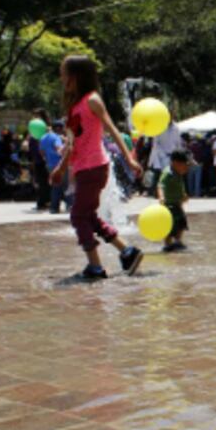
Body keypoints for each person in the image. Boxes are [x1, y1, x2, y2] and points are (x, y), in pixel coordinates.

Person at [50, 55, 144, 280]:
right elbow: (72, 144)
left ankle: (95, 266)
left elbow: (111, 129)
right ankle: (127, 252)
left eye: (64, 73)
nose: (61, 78)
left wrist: (129, 159)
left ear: (75, 76)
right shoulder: (75, 105)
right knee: (88, 215)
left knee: (78, 216)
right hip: (84, 168)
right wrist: (62, 168)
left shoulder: (92, 100)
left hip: (95, 167)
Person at [158, 150, 189, 252]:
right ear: (175, 163)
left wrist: (183, 195)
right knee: (169, 225)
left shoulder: (178, 172)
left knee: (181, 223)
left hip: (177, 203)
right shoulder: (168, 173)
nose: (185, 168)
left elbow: (180, 185)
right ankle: (168, 244)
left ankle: (178, 241)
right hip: (168, 204)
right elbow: (160, 185)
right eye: (183, 165)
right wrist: (161, 197)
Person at [40, 120, 69, 213]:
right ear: (59, 128)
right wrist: (66, 143)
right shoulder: (56, 137)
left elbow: (42, 152)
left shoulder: (43, 137)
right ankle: (69, 205)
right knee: (65, 185)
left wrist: (47, 159)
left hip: (49, 164)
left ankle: (54, 207)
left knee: (55, 185)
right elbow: (59, 150)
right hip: (60, 164)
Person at [30, 108, 51, 210]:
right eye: (34, 116)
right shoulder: (33, 128)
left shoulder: (47, 129)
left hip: (46, 158)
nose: (35, 118)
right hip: (37, 158)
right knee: (39, 180)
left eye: (37, 116)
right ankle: (41, 201)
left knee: (46, 180)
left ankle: (46, 201)